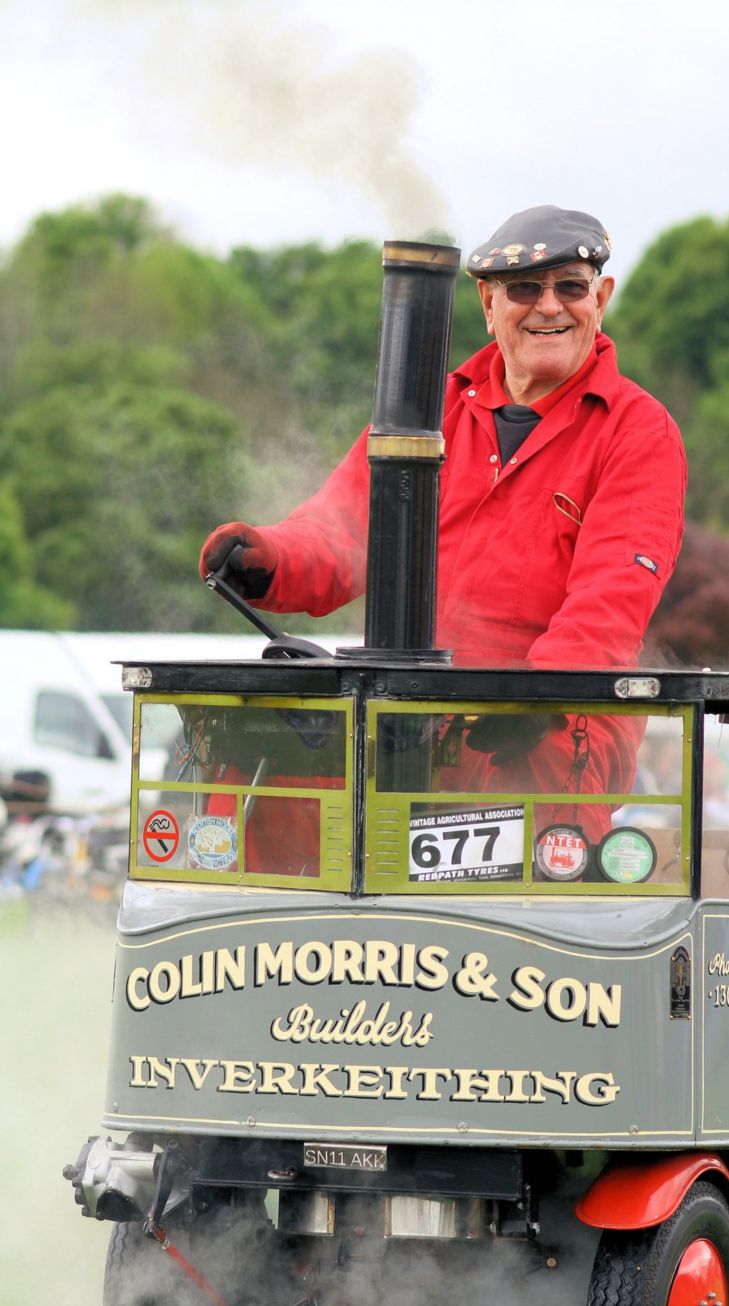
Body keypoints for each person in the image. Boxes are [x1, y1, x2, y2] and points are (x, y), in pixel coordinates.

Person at [199, 206, 687, 864]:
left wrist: (534, 700)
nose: (550, 307)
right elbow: (341, 529)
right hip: (406, 713)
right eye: (525, 289)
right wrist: (269, 558)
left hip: (548, 724)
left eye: (569, 287)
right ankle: (266, 939)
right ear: (489, 303)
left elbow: (612, 596)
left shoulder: (638, 430)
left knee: (537, 773)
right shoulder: (428, 410)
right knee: (264, 749)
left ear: (601, 298)